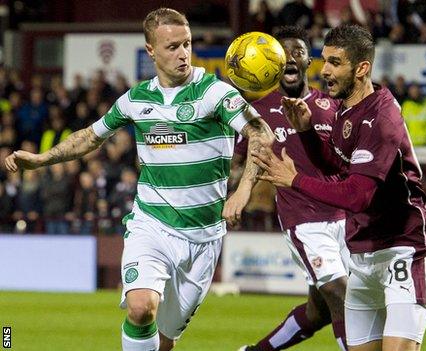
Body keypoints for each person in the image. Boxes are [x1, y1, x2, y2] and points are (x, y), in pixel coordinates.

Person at [4, 8, 274, 351]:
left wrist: (242, 191)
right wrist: (43, 159)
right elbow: (90, 136)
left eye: (187, 44)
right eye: (172, 46)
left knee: (164, 339)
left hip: (203, 239)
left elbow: (261, 132)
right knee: (141, 307)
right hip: (152, 226)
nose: (183, 53)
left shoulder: (215, 93)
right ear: (151, 51)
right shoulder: (135, 100)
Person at [253, 24, 426, 351]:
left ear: (362, 69)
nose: (324, 71)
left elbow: (357, 195)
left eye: (335, 63)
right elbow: (336, 165)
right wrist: (307, 133)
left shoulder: (380, 119)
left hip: (405, 246)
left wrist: (294, 179)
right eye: (325, 60)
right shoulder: (346, 108)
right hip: (363, 253)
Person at [234, 26, 349, 351]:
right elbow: (240, 162)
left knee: (319, 312)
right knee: (342, 296)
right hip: (303, 220)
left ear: (308, 60)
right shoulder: (257, 111)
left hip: (344, 217)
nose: (290, 58)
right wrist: (237, 194)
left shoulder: (331, 105)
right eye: (282, 53)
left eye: (297, 51)